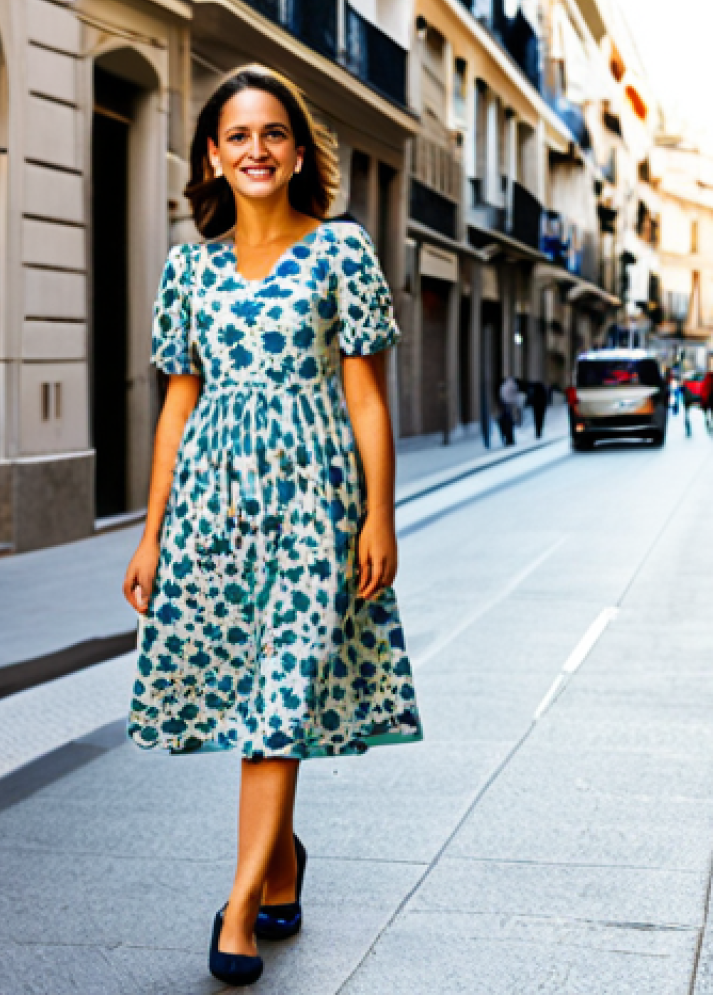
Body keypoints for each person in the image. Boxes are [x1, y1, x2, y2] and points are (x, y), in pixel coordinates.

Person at [122, 65, 423, 987]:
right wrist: (150, 530)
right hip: (213, 507)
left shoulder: (340, 252)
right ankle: (283, 857)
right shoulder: (189, 268)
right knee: (244, 698)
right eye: (238, 136)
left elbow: (368, 399)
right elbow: (177, 406)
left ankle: (242, 906)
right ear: (213, 155)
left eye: (274, 134)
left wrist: (380, 514)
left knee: (279, 701)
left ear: (298, 153)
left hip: (314, 505)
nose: (256, 150)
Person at [498, 375, 520, 446]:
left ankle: (509, 439)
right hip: (509, 405)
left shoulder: (505, 386)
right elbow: (516, 396)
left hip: (506, 405)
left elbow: (503, 395)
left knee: (507, 423)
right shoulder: (512, 385)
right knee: (509, 423)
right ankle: (510, 439)